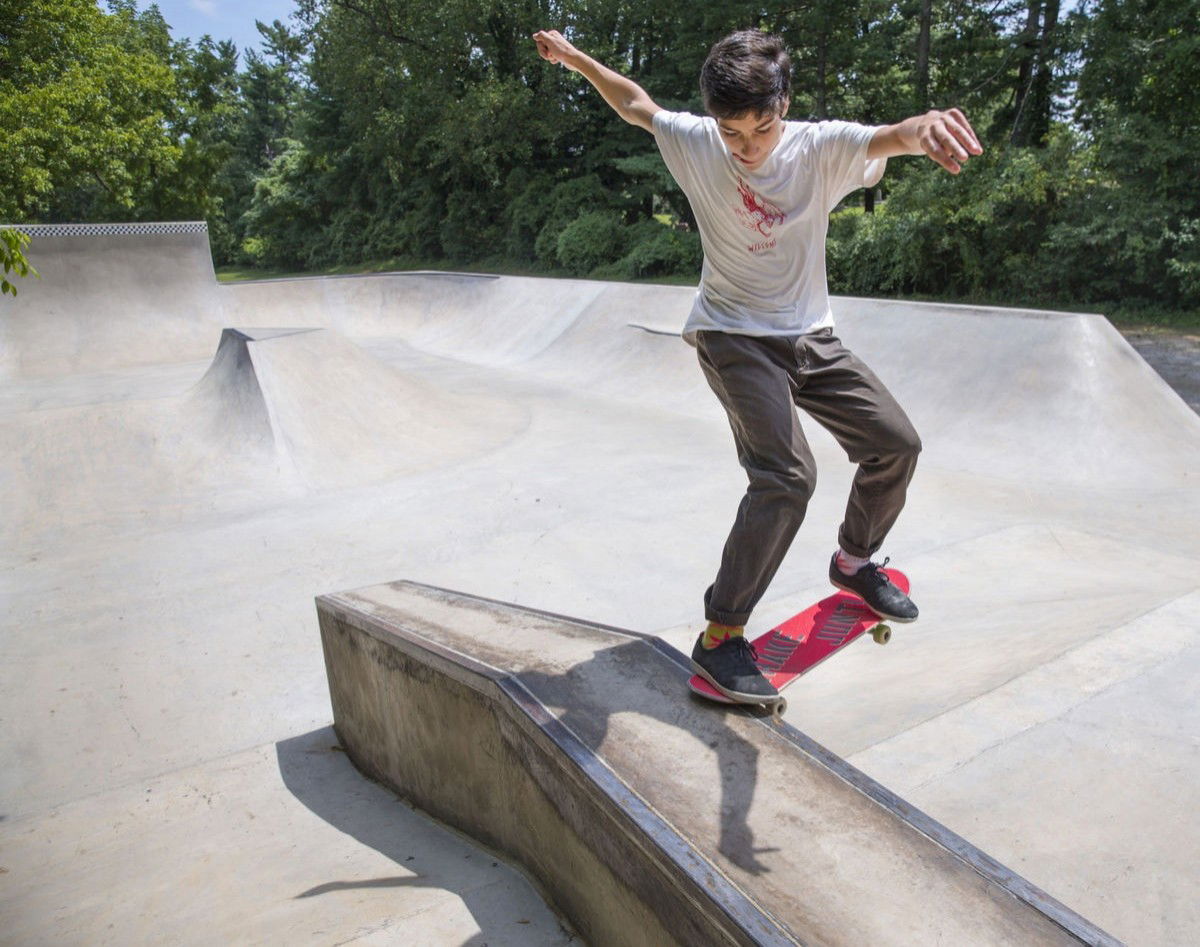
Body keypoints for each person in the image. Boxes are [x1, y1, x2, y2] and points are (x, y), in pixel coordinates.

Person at [533, 27, 982, 703]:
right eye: (732, 132)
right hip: (732, 334)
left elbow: (891, 136)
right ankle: (721, 635)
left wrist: (923, 128)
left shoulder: (818, 147)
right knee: (787, 476)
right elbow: (634, 104)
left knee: (895, 445)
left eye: (761, 129)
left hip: (811, 337)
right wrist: (575, 60)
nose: (746, 147)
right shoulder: (696, 141)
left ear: (784, 106)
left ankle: (853, 560)